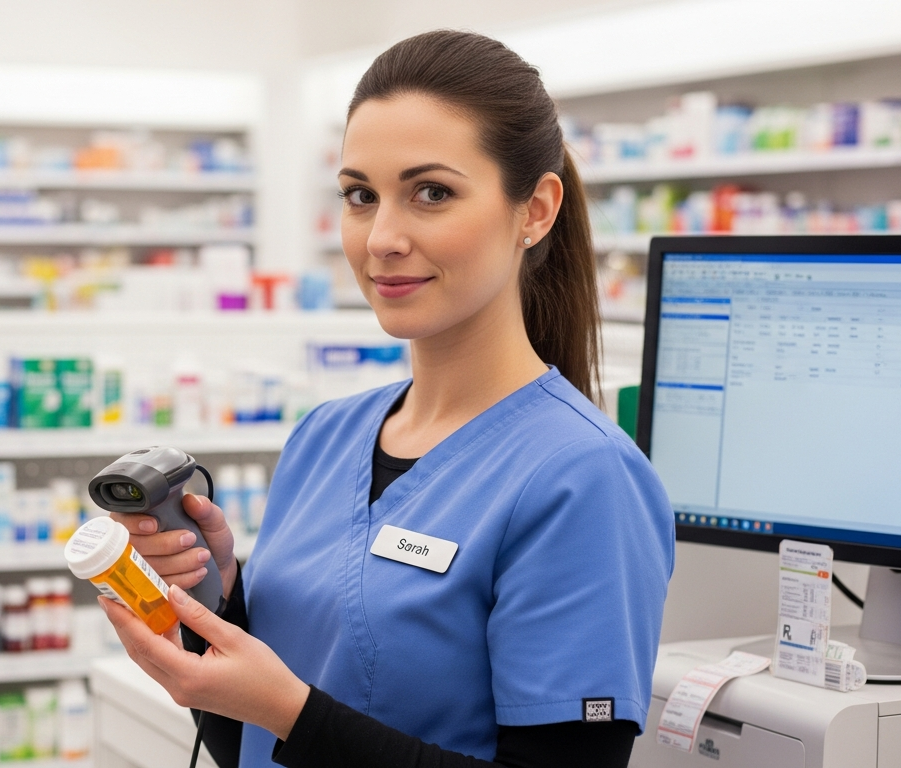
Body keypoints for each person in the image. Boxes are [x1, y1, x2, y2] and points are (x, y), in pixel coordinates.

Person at [100, 29, 674, 768]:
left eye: (431, 193)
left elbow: (290, 719)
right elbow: (251, 742)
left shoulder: (584, 478)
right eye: (360, 196)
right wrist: (213, 602)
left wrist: (287, 710)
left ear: (535, 210)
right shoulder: (325, 436)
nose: (382, 237)